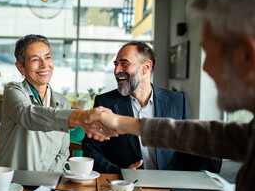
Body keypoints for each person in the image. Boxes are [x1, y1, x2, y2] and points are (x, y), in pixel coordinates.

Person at [85, 0, 255, 191]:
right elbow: (196, 135)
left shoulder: (177, 100)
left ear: (246, 54)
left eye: (211, 53)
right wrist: (119, 123)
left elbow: (193, 143)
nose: (205, 68)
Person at [82, 42, 220, 173]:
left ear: (146, 67)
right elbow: (92, 150)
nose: (117, 70)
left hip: (169, 187)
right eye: (116, 64)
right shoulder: (105, 102)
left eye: (124, 63)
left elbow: (188, 148)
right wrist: (119, 173)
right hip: (126, 188)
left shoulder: (177, 100)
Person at [0, 34, 112, 171]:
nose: (44, 65)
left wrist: (47, 180)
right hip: (12, 182)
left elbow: (63, 152)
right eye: (35, 59)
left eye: (48, 57)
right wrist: (79, 117)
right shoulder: (14, 91)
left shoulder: (63, 103)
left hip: (46, 184)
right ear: (21, 67)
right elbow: (27, 114)